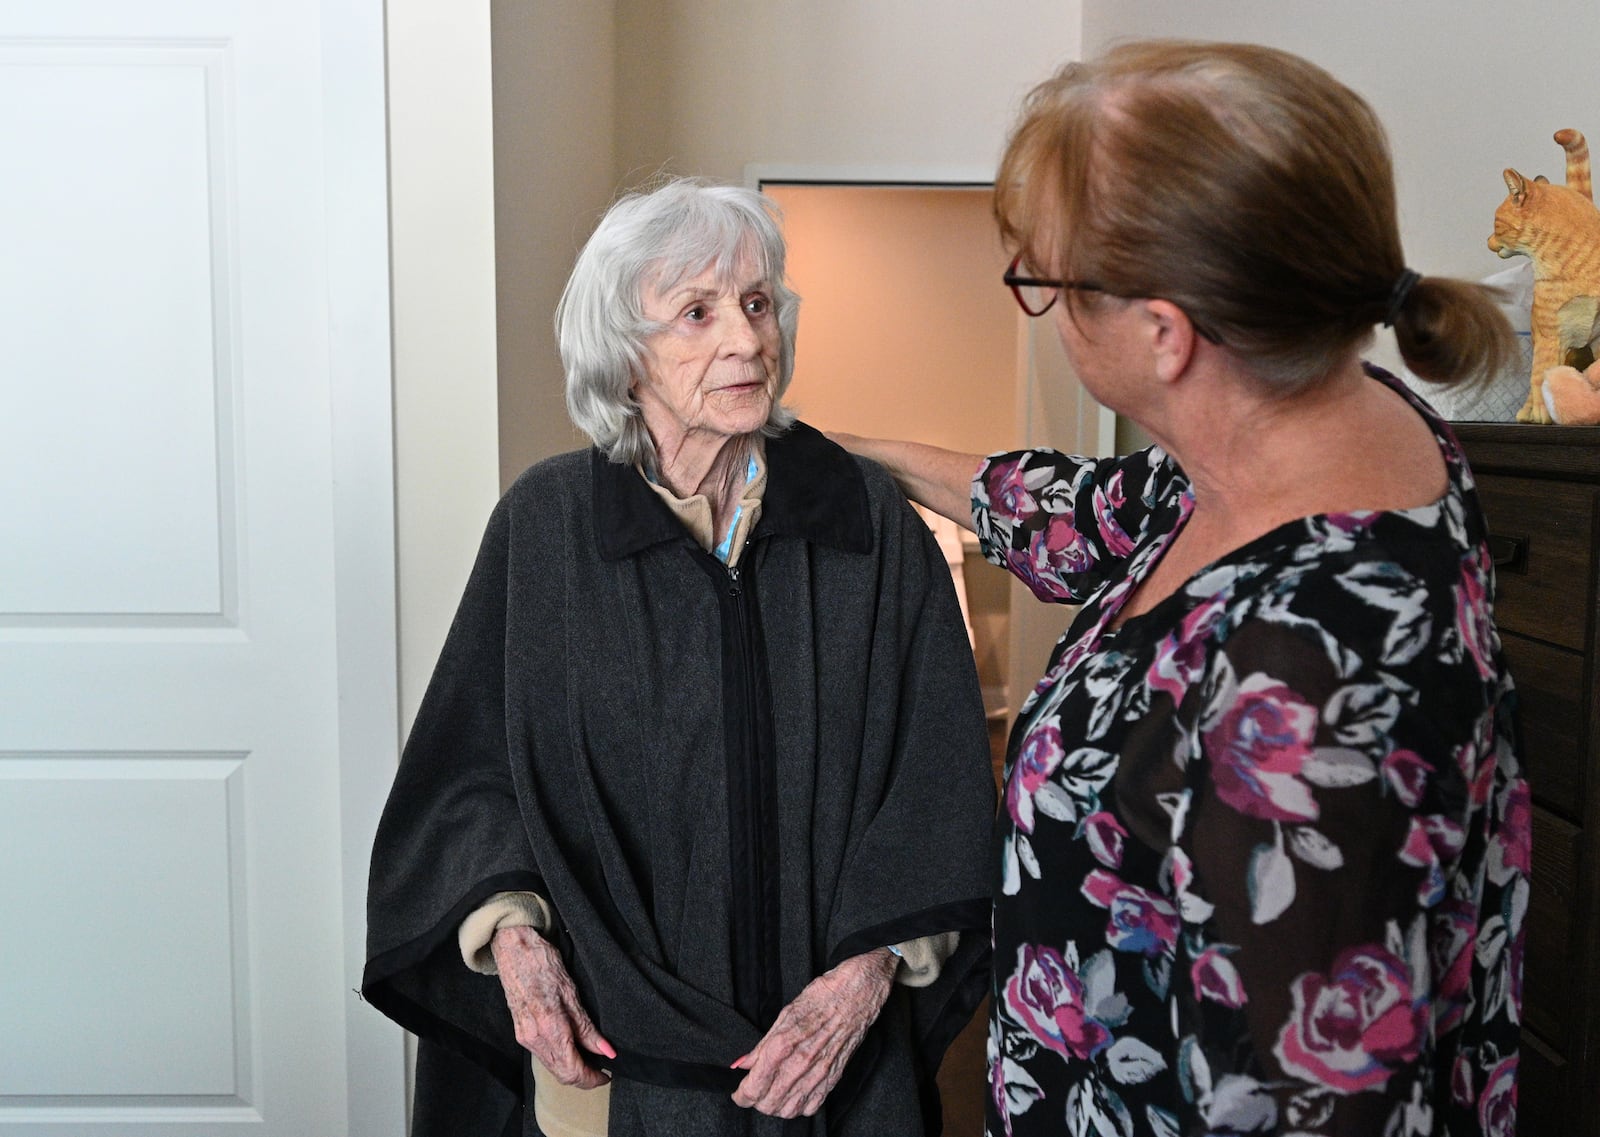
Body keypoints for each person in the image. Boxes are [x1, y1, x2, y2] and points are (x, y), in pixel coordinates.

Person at [834, 41, 1528, 1137]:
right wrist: (842, 452)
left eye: (1046, 287)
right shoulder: (1314, 414)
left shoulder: (1309, 668)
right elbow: (1086, 512)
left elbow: (1311, 1106)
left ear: (1164, 334)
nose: (1047, 313)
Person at [361, 178, 996, 1137]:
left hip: (824, 1070)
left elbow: (937, 778)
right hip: (615, 1072)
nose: (745, 339)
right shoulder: (547, 528)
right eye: (696, 313)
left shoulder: (867, 524)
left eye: (755, 304)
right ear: (624, 360)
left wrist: (868, 976)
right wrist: (517, 944)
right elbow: (472, 776)